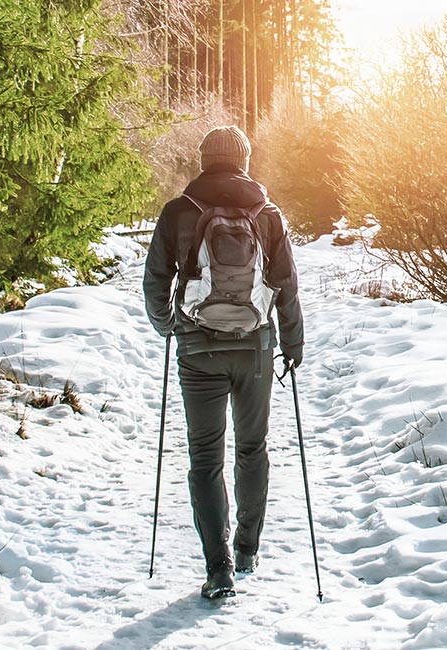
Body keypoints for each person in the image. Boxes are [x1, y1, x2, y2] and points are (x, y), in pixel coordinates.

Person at [143, 125, 305, 599]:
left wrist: (168, 326)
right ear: (244, 161)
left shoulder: (178, 211)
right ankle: (249, 546)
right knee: (252, 448)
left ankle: (219, 567)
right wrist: (292, 345)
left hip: (198, 350)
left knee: (205, 458)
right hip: (255, 347)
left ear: (203, 161)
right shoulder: (268, 214)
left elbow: (156, 280)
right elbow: (287, 285)